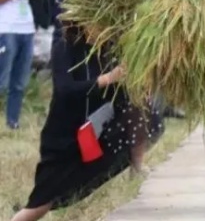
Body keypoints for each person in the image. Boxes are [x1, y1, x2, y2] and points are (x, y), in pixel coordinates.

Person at [11, 21, 162, 221]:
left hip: (98, 131)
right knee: (40, 204)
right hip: (65, 138)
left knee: (141, 106)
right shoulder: (65, 48)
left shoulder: (110, 49)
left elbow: (125, 93)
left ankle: (137, 166)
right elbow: (65, 90)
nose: (102, 29)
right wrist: (107, 79)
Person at [1, 0, 46, 129]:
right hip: (6, 27)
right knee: (2, 77)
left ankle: (13, 121)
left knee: (20, 81)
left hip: (26, 27)